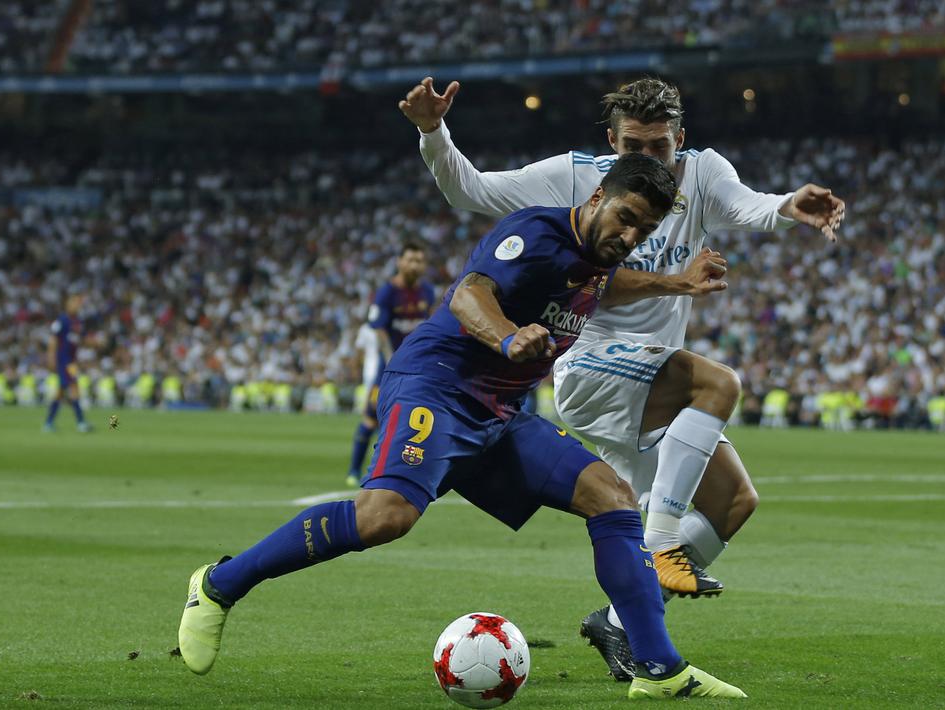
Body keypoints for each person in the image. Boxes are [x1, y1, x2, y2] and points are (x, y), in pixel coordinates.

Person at [178, 154, 747, 700]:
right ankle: (218, 585)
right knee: (384, 517)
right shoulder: (536, 232)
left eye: (644, 230)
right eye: (625, 217)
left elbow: (608, 285)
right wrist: (506, 336)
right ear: (598, 197)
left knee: (612, 496)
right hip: (437, 387)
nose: (629, 236)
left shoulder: (598, 258)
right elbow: (469, 294)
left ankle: (659, 669)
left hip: (500, 414)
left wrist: (677, 283)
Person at [399, 75, 844, 679]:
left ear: (679, 139)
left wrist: (790, 206)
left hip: (653, 380)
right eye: (634, 146)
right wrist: (433, 130)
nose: (649, 159)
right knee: (718, 384)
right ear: (612, 143)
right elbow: (470, 189)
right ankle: (660, 545)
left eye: (660, 147)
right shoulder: (578, 177)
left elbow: (751, 206)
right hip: (591, 364)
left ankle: (618, 622)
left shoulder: (703, 173)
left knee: (734, 501)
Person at [347, 243, 436, 485]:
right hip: (389, 368)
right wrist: (391, 356)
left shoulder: (427, 291)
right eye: (410, 260)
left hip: (418, 368)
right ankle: (353, 471)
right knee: (371, 417)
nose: (415, 265)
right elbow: (378, 329)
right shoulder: (386, 293)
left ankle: (401, 471)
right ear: (399, 262)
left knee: (413, 419)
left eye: (419, 261)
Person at [43, 294, 91, 433]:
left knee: (61, 391)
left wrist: (95, 342)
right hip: (64, 361)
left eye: (77, 303)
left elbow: (81, 339)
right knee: (73, 387)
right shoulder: (62, 320)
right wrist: (51, 358)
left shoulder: (78, 322)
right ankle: (80, 422)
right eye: (73, 303)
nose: (76, 305)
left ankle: (49, 423)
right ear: (67, 305)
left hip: (71, 362)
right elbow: (53, 340)